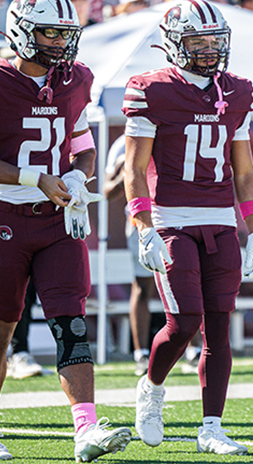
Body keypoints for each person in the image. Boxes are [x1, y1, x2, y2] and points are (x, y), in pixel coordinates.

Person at [0, 0, 130, 462]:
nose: (58, 43)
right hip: (5, 217)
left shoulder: (75, 79)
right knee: (0, 332)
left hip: (56, 220)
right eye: (49, 32)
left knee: (72, 325)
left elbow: (83, 144)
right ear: (20, 31)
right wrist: (38, 178)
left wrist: (75, 174)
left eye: (65, 33)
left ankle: (85, 430)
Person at [125, 0, 253, 456]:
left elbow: (244, 170)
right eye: (197, 41)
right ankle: (152, 387)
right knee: (184, 321)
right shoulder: (152, 89)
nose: (209, 50)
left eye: (214, 41)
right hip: (170, 218)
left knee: (220, 326)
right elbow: (134, 167)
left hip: (220, 219)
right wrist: (144, 225)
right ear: (172, 44)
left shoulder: (236, 91)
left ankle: (212, 426)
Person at [103, 133, 156, 376]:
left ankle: (193, 348)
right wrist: (127, 173)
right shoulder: (122, 143)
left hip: (172, 216)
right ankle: (141, 354)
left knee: (183, 284)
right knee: (142, 287)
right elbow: (108, 191)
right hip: (139, 221)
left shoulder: (170, 128)